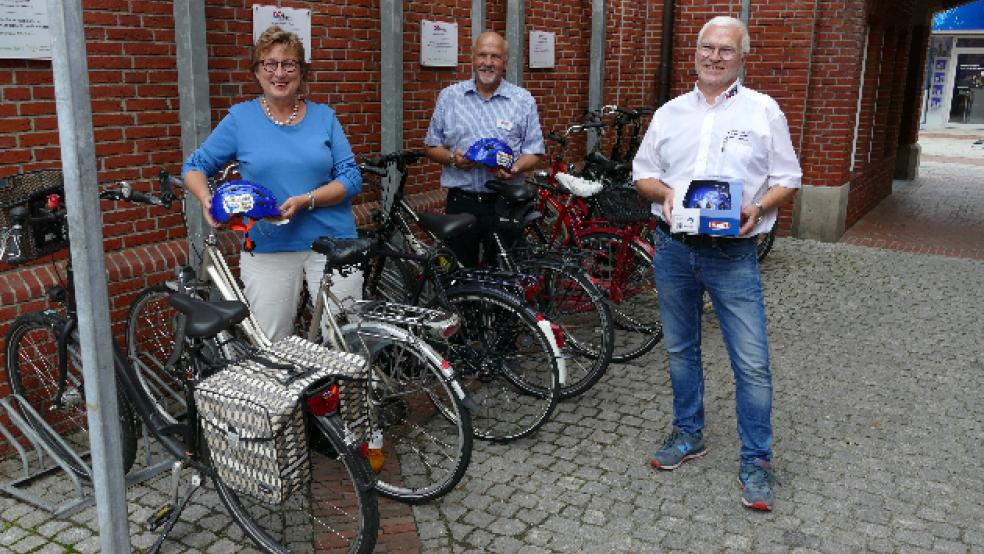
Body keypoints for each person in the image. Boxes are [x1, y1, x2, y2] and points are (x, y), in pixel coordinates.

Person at [633, 15, 801, 512]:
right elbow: (643, 175)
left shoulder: (763, 111)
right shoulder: (669, 113)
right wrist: (663, 194)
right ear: (696, 52)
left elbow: (788, 178)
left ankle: (757, 460)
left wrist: (760, 206)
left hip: (733, 254)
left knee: (751, 363)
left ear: (742, 57)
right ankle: (689, 434)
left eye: (726, 50)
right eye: (708, 48)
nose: (714, 57)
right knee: (681, 350)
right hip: (674, 251)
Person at [182, 26, 363, 342]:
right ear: (257, 71)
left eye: (288, 64)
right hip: (268, 245)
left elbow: (350, 178)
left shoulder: (324, 117)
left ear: (301, 71)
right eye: (270, 64)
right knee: (272, 344)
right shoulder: (240, 119)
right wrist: (206, 199)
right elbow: (194, 167)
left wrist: (307, 200)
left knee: (346, 342)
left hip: (333, 242)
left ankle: (347, 393)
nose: (279, 73)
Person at [424, 31, 545, 267]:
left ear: (505, 63)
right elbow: (431, 145)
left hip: (506, 204)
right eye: (482, 55)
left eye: (495, 56)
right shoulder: (449, 97)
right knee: (458, 274)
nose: (488, 62)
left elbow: (535, 150)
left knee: (503, 278)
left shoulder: (523, 100)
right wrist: (452, 159)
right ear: (472, 58)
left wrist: (515, 167)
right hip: (462, 202)